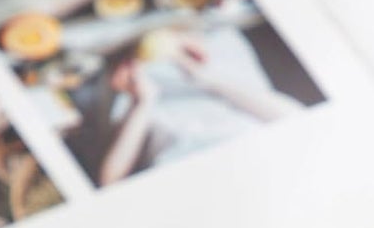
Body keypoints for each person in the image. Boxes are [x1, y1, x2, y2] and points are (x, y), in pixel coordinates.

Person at [95, 25, 303, 185]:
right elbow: (294, 119)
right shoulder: (274, 168)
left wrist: (142, 101)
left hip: (148, 107)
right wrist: (207, 79)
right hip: (224, 87)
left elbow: (111, 183)